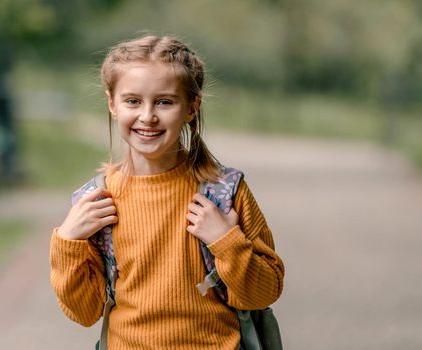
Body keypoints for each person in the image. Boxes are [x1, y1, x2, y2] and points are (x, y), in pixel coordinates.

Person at [49, 35, 285, 349]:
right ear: (112, 104)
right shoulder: (96, 202)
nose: (148, 116)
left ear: (191, 107)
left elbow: (264, 293)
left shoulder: (224, 192)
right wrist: (67, 243)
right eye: (133, 101)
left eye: (165, 101)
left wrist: (227, 243)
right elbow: (83, 312)